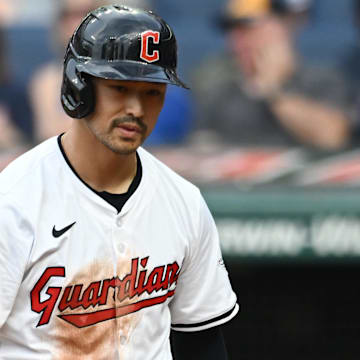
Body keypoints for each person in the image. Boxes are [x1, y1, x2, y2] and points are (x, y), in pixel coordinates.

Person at [0, 5, 239, 360]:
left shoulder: (184, 201)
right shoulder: (15, 201)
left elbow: (201, 340)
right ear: (79, 86)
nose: (137, 109)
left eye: (151, 92)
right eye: (120, 87)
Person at [191, 0, 351, 150]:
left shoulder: (322, 81)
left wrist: (273, 91)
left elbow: (333, 138)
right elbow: (202, 148)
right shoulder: (219, 90)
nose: (238, 41)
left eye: (249, 28)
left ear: (284, 26)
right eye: (232, 30)